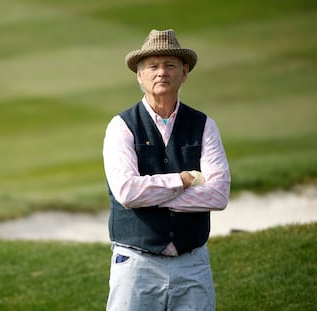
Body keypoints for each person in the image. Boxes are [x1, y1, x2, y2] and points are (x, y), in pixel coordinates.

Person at [102, 29, 231, 311]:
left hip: (192, 262)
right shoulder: (121, 126)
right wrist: (184, 180)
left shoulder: (204, 125)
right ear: (139, 75)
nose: (162, 72)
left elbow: (218, 195)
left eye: (170, 65)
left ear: (184, 73)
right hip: (136, 265)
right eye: (153, 66)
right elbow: (126, 192)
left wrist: (150, 197)